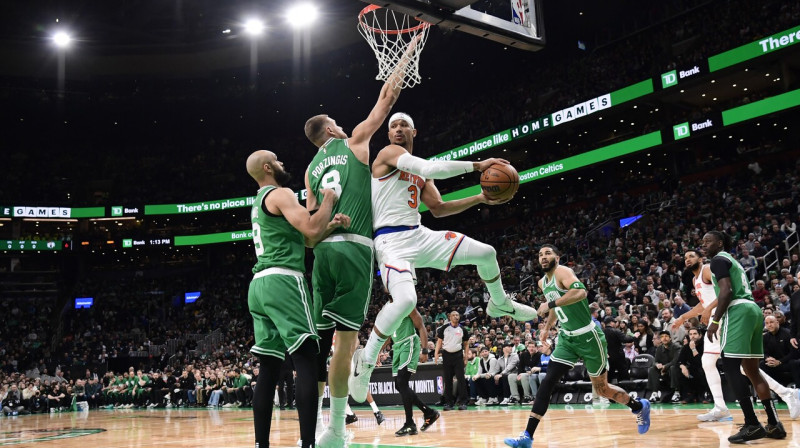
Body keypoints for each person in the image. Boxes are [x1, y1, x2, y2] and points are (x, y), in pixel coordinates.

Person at [349, 111, 537, 404]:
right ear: (388, 135)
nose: (398, 129)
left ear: (415, 131)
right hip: (390, 241)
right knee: (406, 300)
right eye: (393, 126)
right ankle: (367, 361)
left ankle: (500, 303)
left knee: (486, 253)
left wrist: (479, 198)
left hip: (418, 234)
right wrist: (478, 165)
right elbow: (428, 166)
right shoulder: (388, 153)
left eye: (404, 126)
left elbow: (438, 208)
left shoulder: (419, 173)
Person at [303, 42, 418, 448]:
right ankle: (335, 429)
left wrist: (327, 223)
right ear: (332, 130)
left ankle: (312, 428)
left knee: (318, 346)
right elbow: (387, 98)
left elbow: (309, 232)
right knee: (346, 345)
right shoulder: (353, 142)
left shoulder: (310, 171)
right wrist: (404, 58)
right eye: (335, 120)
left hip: (321, 255)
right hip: (354, 248)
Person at [245, 149, 349, 448]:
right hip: (284, 280)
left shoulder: (257, 203)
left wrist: (329, 224)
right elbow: (311, 227)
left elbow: (307, 237)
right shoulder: (281, 193)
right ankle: (308, 443)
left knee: (269, 368)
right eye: (278, 160)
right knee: (305, 358)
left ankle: (260, 445)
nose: (282, 162)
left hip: (258, 286)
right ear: (267, 168)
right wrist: (329, 199)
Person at [504, 245, 650, 448]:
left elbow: (580, 292)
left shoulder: (563, 272)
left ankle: (638, 406)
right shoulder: (542, 282)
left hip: (589, 337)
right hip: (566, 339)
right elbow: (557, 303)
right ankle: (527, 436)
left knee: (603, 389)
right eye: (540, 254)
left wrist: (550, 305)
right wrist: (548, 327)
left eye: (548, 253)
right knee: (547, 382)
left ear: (557, 256)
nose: (543, 257)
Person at [704, 231, 787, 442]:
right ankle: (773, 423)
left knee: (730, 367)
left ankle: (751, 423)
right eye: (703, 241)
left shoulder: (717, 260)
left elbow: (726, 291)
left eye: (708, 241)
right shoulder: (732, 260)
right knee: (751, 370)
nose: (704, 244)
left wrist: (714, 321)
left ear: (720, 243)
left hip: (738, 310)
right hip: (754, 310)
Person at [392, 308, 440, 436]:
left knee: (402, 382)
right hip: (396, 346)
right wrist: (378, 351)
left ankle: (410, 424)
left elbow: (421, 326)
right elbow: (387, 334)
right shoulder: (387, 310)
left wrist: (425, 350)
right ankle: (429, 412)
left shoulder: (406, 305)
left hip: (409, 343)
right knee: (399, 385)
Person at [433, 311, 470, 410]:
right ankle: (449, 403)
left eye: (457, 315)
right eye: (453, 315)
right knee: (448, 379)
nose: (456, 317)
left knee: (461, 379)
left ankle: (463, 402)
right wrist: (436, 354)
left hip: (458, 355)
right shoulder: (444, 328)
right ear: (449, 317)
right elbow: (439, 342)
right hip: (447, 355)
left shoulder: (463, 329)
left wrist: (466, 357)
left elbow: (466, 344)